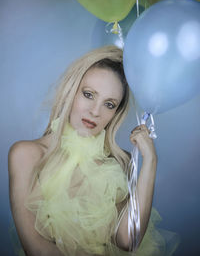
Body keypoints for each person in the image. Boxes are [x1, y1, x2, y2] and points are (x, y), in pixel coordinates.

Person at [8, 46, 178, 256]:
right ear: (71, 90)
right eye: (88, 95)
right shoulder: (26, 154)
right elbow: (36, 249)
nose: (95, 112)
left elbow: (128, 240)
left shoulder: (117, 162)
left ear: (116, 113)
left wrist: (150, 161)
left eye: (109, 104)